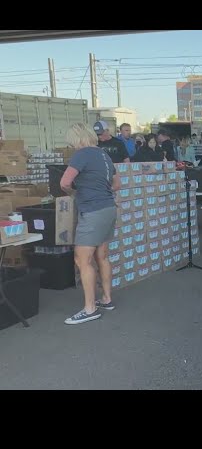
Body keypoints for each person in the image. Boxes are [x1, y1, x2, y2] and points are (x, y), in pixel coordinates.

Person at [60, 123, 120, 325]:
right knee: (102, 256)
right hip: (108, 208)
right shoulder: (105, 155)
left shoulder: (82, 154)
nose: (72, 146)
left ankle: (90, 308)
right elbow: (117, 184)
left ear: (77, 139)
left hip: (93, 211)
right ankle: (106, 299)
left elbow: (64, 183)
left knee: (81, 260)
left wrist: (75, 193)